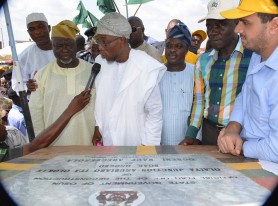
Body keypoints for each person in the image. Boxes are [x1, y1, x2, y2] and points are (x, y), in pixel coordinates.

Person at [217, 0, 278, 166]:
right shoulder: (259, 52)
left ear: (274, 25)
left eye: (246, 22)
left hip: (274, 169)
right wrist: (233, 128)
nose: (237, 29)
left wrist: (239, 147)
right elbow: (246, 95)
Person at [181, 0, 253, 146]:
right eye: (209, 26)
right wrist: (191, 134)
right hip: (209, 133)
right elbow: (199, 101)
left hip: (241, 135)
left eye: (220, 25)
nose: (213, 32)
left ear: (237, 24)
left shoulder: (252, 57)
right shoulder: (202, 61)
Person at [92, 12, 166, 146]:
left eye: (104, 42)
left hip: (136, 143)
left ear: (121, 40)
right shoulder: (100, 62)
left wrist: (148, 148)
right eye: (98, 41)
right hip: (107, 142)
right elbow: (100, 99)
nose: (100, 47)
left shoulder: (145, 65)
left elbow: (154, 112)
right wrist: (98, 125)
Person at [28, 20, 95, 146]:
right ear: (52, 47)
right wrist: (38, 144)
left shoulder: (92, 71)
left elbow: (101, 106)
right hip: (53, 145)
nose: (64, 50)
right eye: (58, 46)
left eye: (68, 45)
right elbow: (35, 113)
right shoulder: (42, 75)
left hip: (87, 141)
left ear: (76, 46)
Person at [159, 22, 198, 145]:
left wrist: (196, 138)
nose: (172, 50)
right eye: (169, 46)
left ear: (187, 49)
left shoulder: (196, 73)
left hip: (188, 142)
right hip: (158, 142)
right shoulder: (155, 73)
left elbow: (200, 107)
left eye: (178, 46)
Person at [11, 12, 55, 93]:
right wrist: (28, 87)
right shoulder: (23, 57)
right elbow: (17, 85)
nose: (37, 32)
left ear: (49, 28)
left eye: (40, 27)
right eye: (32, 29)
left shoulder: (64, 50)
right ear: (28, 33)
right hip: (39, 103)